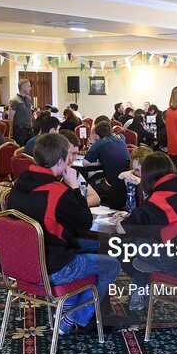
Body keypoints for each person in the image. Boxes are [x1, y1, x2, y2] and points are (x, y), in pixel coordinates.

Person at [9, 133, 120, 333]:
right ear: (60, 161)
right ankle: (73, 318)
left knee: (99, 246)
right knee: (111, 265)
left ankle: (74, 301)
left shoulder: (18, 186)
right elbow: (85, 221)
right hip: (53, 268)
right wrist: (75, 187)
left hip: (20, 264)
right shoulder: (57, 191)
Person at [111, 151, 177, 312]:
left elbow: (122, 228)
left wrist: (118, 220)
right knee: (145, 240)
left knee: (123, 245)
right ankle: (142, 284)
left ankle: (141, 286)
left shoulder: (160, 197)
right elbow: (163, 217)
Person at [84, 120, 130, 190]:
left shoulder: (99, 143)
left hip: (113, 183)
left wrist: (99, 162)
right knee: (97, 175)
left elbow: (85, 163)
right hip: (127, 178)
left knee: (86, 185)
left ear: (97, 135)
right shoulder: (121, 137)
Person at [9, 79, 35, 149]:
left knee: (31, 148)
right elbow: (11, 117)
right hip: (19, 130)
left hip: (29, 129)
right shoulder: (14, 100)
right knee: (20, 149)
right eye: (29, 86)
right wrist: (12, 128)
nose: (30, 88)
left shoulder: (29, 99)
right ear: (23, 87)